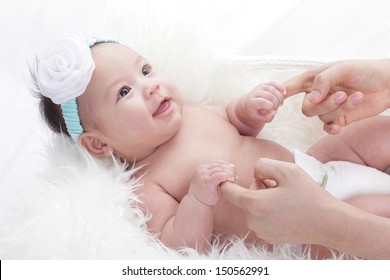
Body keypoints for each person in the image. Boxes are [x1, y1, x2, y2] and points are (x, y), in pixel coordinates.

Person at [33, 36, 390, 256]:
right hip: (308, 231)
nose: (151, 87)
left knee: (365, 134)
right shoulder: (149, 183)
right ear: (98, 144)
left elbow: (237, 119)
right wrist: (198, 199)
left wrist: (252, 109)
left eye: (145, 71)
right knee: (372, 210)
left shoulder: (193, 113)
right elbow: (180, 244)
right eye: (124, 92)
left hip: (317, 167)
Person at [221, 58, 390, 259]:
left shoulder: (195, 114)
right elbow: (177, 239)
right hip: (317, 172)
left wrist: (248, 110)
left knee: (369, 208)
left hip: (322, 219)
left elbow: (234, 120)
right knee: (374, 134)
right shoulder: (171, 175)